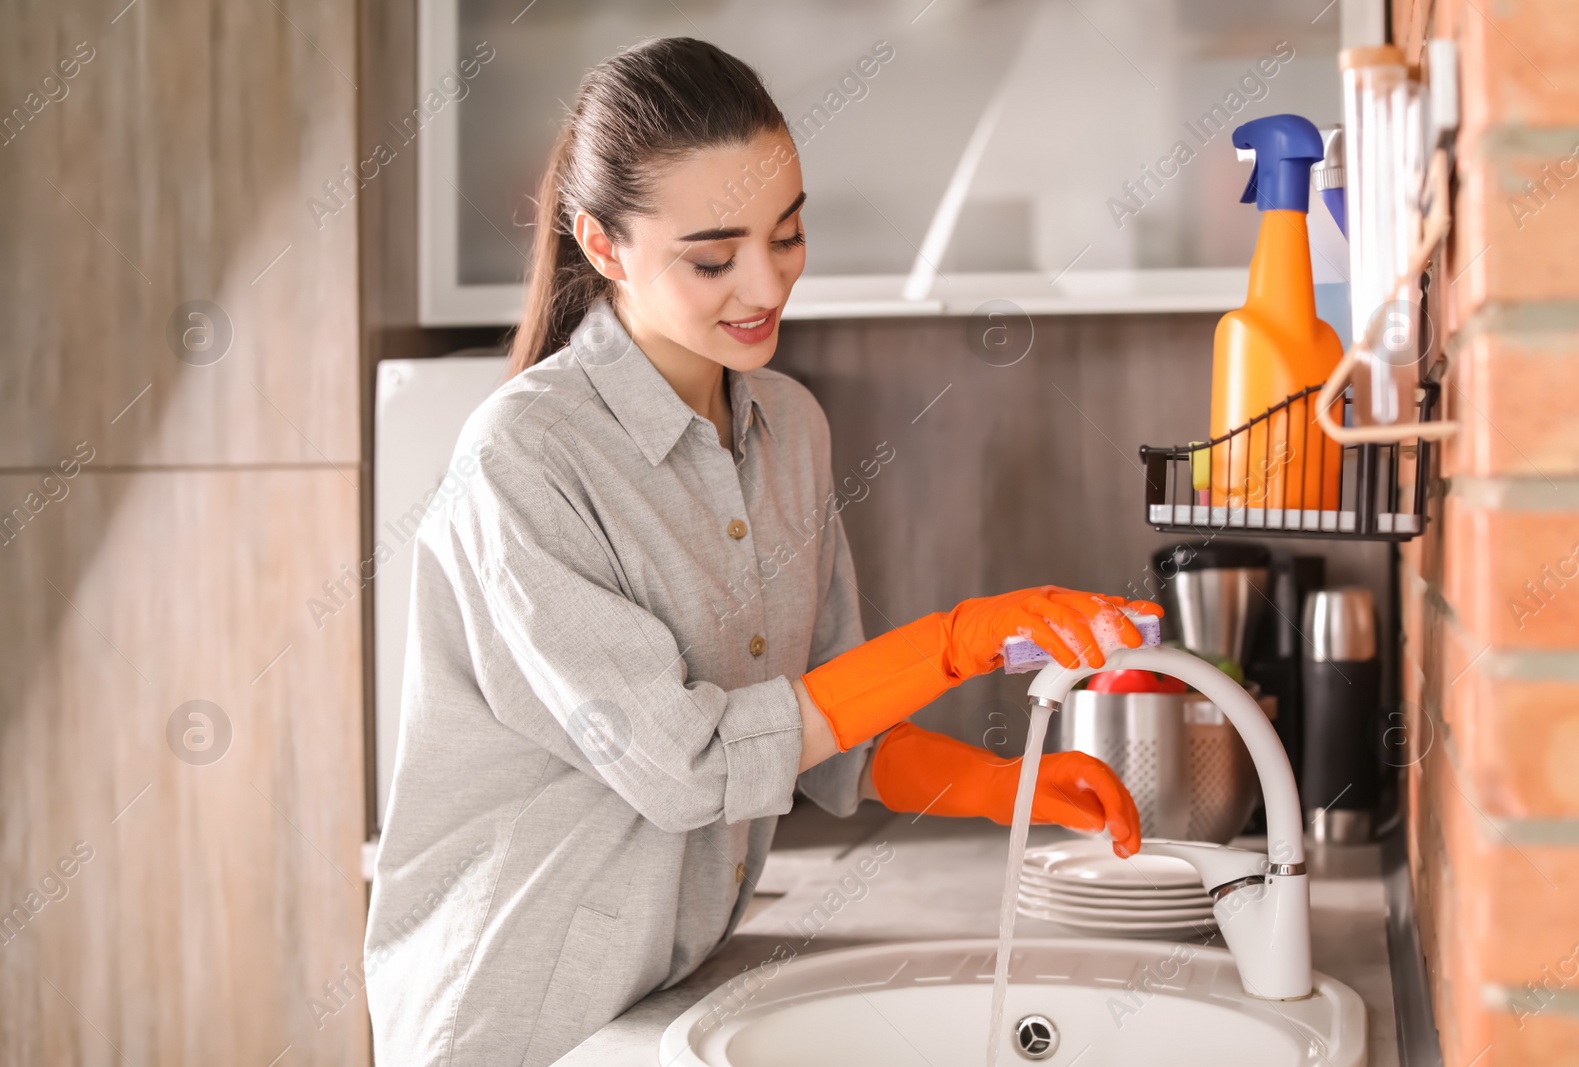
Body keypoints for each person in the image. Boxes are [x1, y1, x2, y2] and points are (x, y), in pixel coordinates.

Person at [365, 36, 1159, 1067]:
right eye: (712, 256)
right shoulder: (524, 457)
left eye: (786, 235)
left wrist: (998, 786)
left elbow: (829, 717)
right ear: (602, 246)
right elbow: (690, 765)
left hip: (665, 987)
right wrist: (955, 641)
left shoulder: (789, 424)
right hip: (510, 1013)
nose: (764, 282)